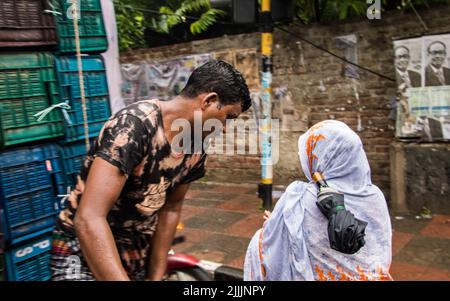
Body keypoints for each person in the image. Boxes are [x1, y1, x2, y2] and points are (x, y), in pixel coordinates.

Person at [51, 60, 251, 281]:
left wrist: (155, 276)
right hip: (83, 243)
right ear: (209, 101)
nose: (224, 128)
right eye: (228, 118)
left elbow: (171, 209)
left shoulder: (196, 144)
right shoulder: (133, 127)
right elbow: (89, 218)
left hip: (136, 245)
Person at [244, 120, 393, 281]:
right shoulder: (375, 196)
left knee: (258, 240)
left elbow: (272, 247)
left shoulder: (298, 198)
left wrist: (276, 225)